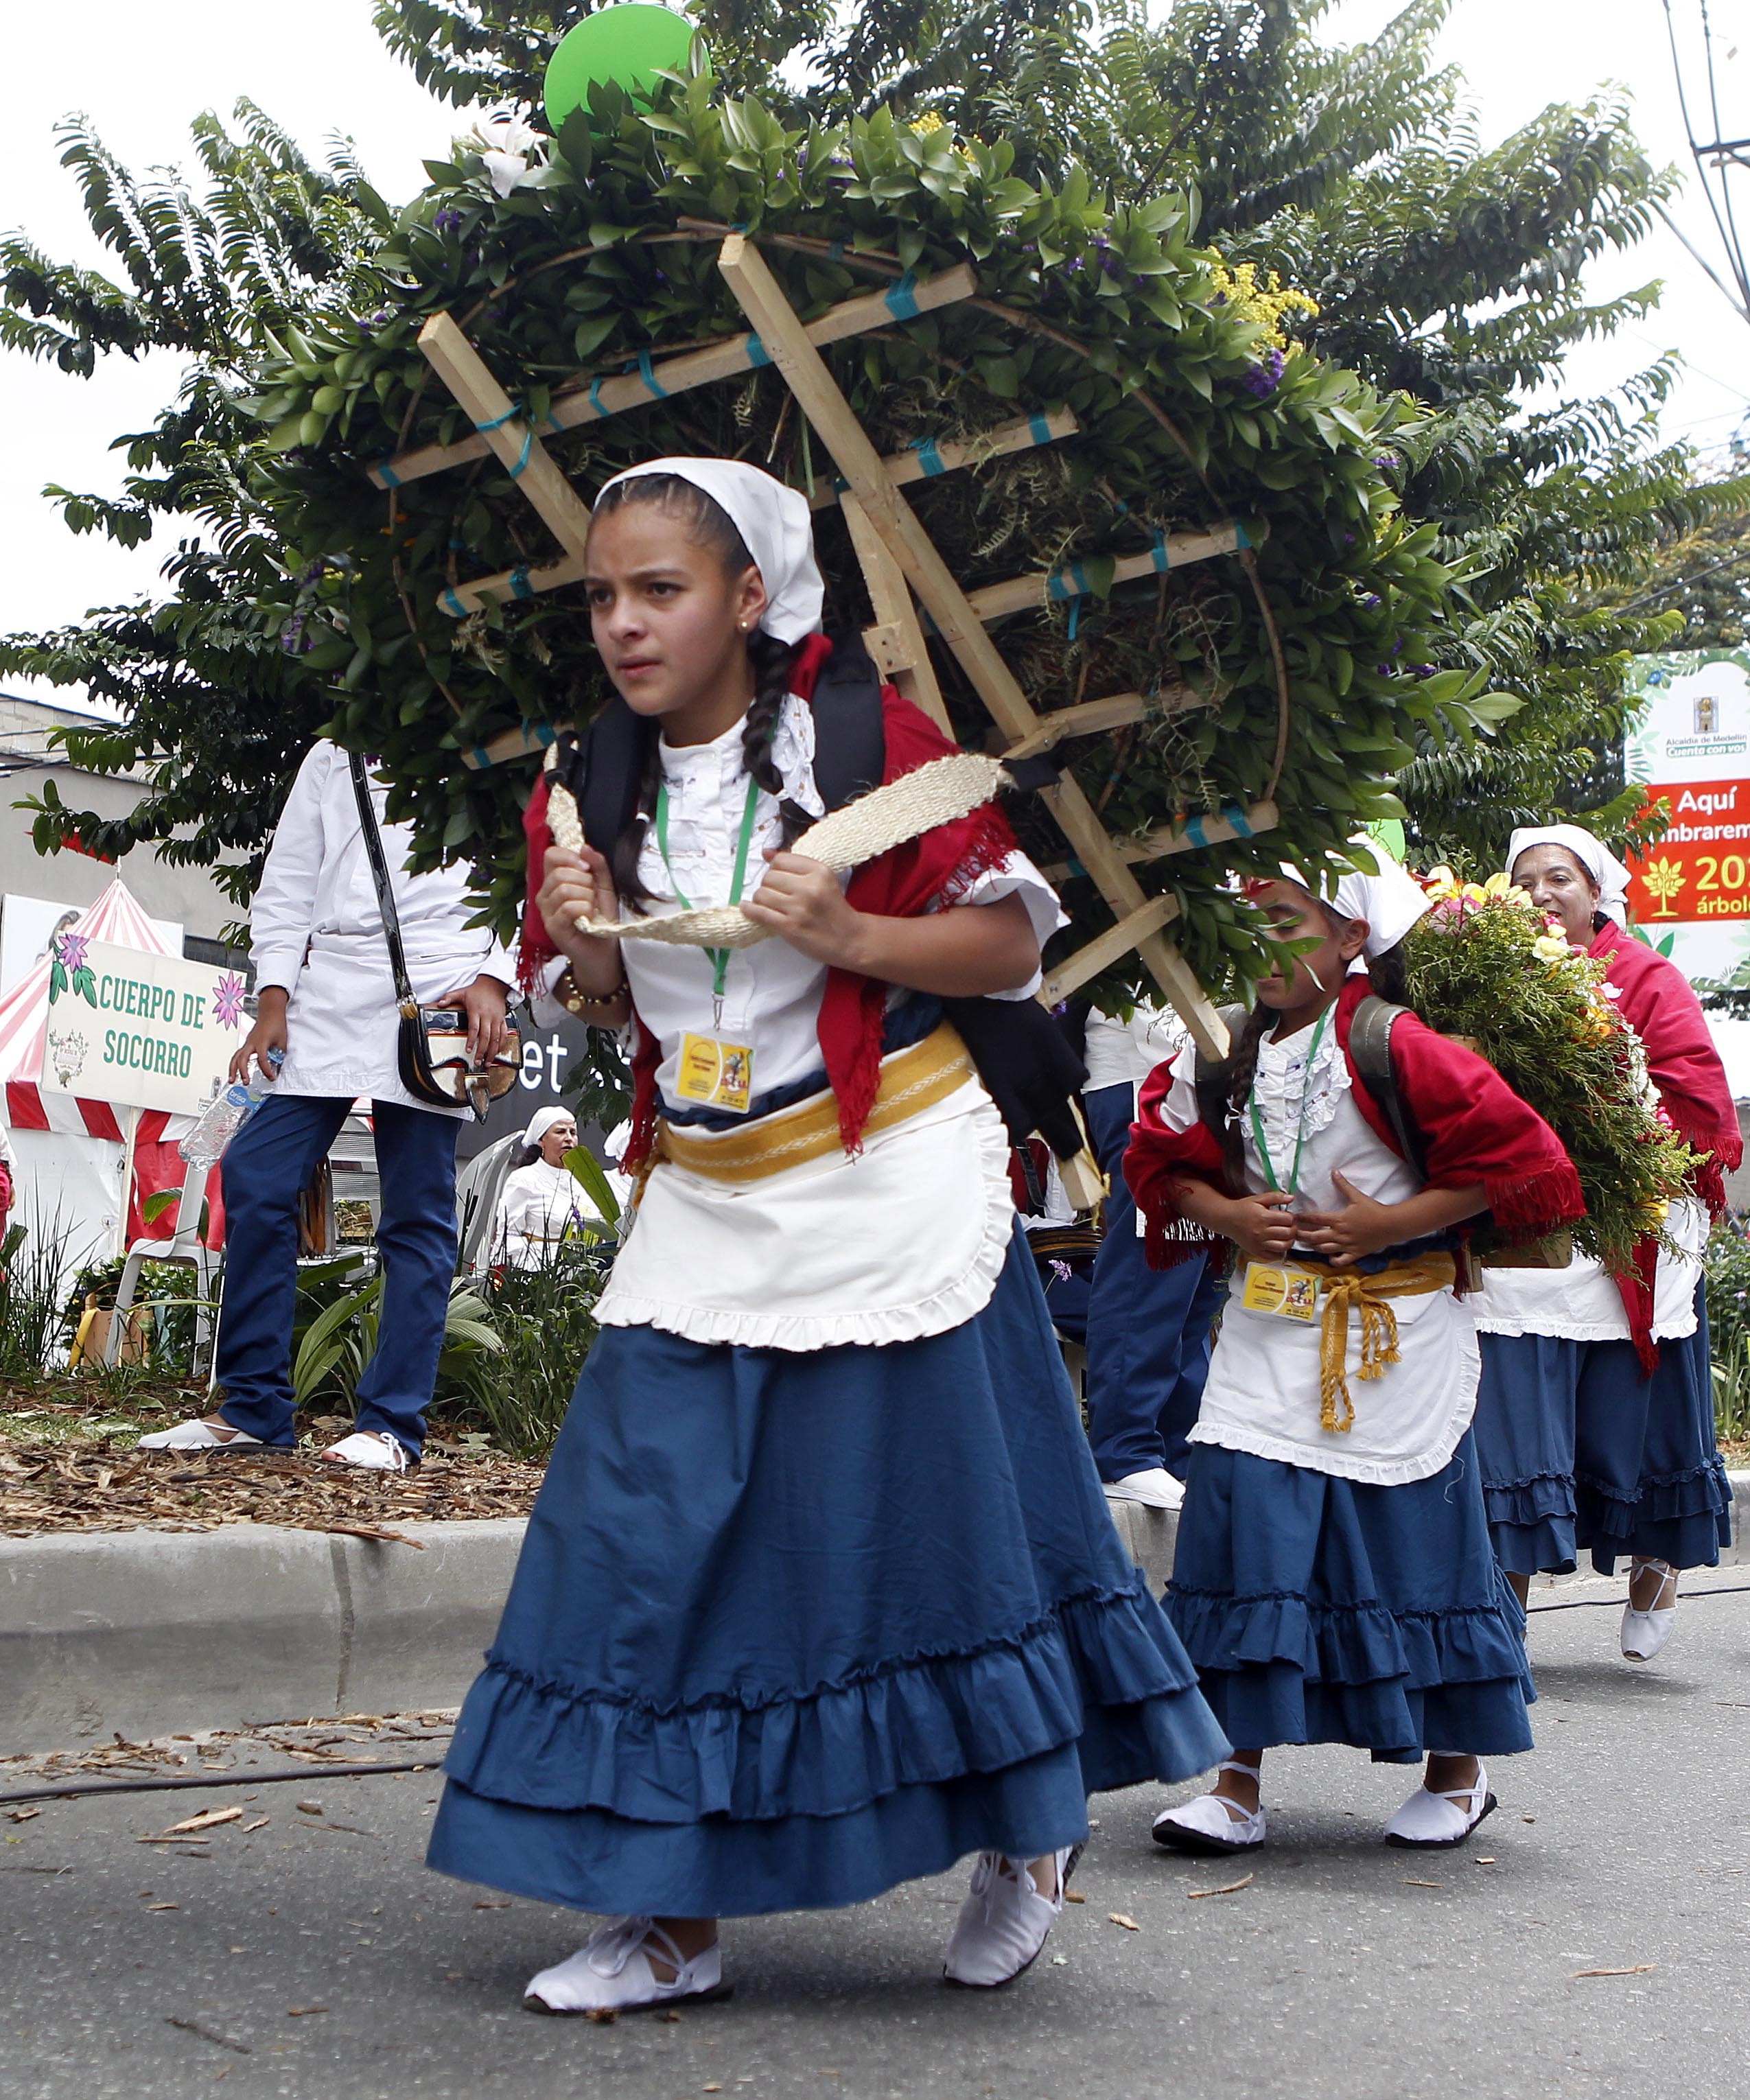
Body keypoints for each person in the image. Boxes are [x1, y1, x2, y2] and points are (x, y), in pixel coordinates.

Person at [425, 457, 1228, 2010]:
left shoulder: (869, 747)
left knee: (949, 1554)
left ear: (747, 596)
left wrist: (848, 929)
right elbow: (597, 1001)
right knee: (635, 1544)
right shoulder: (587, 779)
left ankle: (1027, 1836)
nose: (622, 623)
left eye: (659, 589)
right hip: (709, 1204)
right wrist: (583, 947)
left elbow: (1009, 940)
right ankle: (668, 1912)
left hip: (893, 1187)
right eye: (601, 593)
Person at [1125, 858, 1584, 1854]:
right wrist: (1226, 1213)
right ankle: (1235, 1782)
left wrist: (1391, 1226)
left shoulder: (1397, 1046)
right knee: (1245, 1530)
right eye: (1246, 926)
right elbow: (1155, 1166)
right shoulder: (1215, 1052)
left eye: (1288, 923)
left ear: (1348, 939)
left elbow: (1527, 1162)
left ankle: (1456, 1777)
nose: (1265, 948)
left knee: (1414, 1541)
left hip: (1396, 1340)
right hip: (1264, 1332)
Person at [140, 741, 516, 1471]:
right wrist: (272, 999)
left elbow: (524, 865)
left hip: (440, 982)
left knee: (415, 1209)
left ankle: (391, 1427)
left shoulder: (487, 727)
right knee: (257, 1171)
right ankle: (252, 1408)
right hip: (330, 985)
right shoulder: (332, 751)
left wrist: (496, 980)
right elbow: (288, 881)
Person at [1470, 824, 1742, 1659]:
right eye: (1526, 883)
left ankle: (1656, 1561)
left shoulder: (1649, 980)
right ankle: (1502, 1606)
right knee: (1517, 1420)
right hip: (1528, 1231)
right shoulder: (1487, 986)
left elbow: (1696, 1102)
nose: (1544, 894)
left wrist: (1609, 1097)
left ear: (1598, 892)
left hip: (1629, 1230)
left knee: (1637, 1414)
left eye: (1561, 878)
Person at [1080, 1003, 1223, 1511]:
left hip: (1200, 1073)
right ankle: (1126, 1449)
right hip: (1146, 1075)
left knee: (1195, 1282)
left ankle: (1174, 1449)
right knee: (1153, 1267)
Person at [492, 1107, 597, 1266]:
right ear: (541, 1140)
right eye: (560, 1132)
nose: (569, 1138)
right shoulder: (523, 1179)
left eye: (573, 1133)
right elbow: (508, 1236)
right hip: (537, 1274)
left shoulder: (587, 1180)